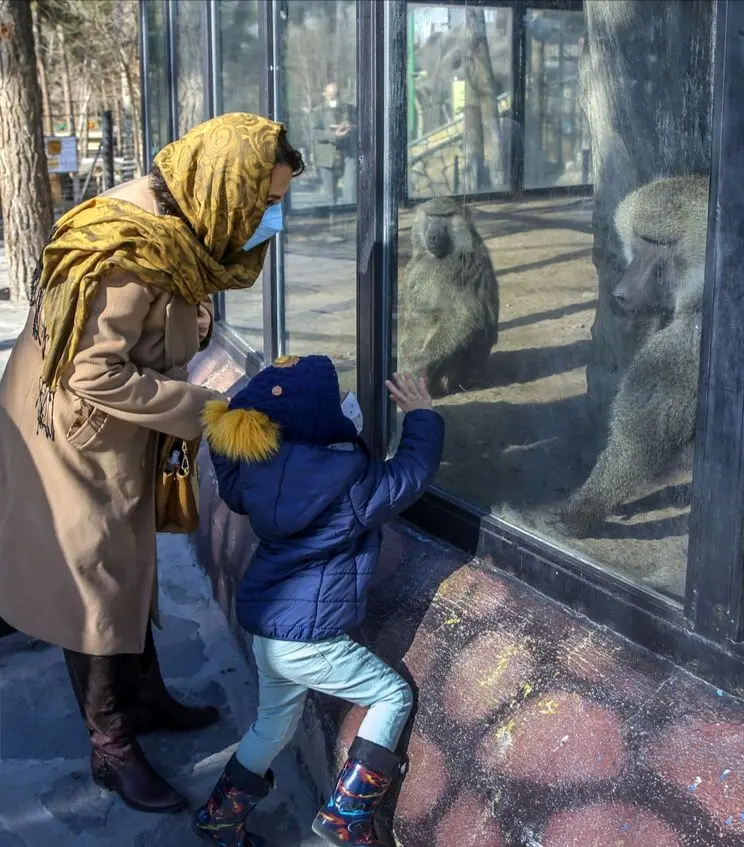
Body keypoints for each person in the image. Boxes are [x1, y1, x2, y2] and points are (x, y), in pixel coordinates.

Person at [0, 112, 304, 814]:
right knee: (93, 584)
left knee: (127, 564)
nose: (271, 216)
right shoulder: (129, 252)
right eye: (265, 200)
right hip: (71, 432)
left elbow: (161, 320)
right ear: (226, 187)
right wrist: (204, 409)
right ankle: (111, 746)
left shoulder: (178, 224)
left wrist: (194, 325)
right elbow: (90, 371)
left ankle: (144, 697)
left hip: (110, 426)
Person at [192, 359, 443, 846]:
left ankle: (218, 817)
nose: (346, 402)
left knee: (272, 726)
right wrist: (422, 416)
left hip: (268, 632)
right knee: (392, 696)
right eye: (336, 398)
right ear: (319, 417)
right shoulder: (349, 482)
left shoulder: (255, 475)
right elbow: (411, 474)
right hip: (308, 639)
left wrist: (230, 426)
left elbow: (229, 476)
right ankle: (346, 816)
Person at [312, 82, 358, 211]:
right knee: (330, 195)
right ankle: (332, 218)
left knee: (350, 190)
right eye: (330, 94)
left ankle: (350, 216)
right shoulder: (317, 112)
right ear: (325, 94)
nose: (334, 97)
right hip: (326, 156)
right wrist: (333, 135)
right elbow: (314, 134)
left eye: (336, 94)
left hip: (348, 154)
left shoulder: (350, 109)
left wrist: (350, 127)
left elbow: (361, 126)